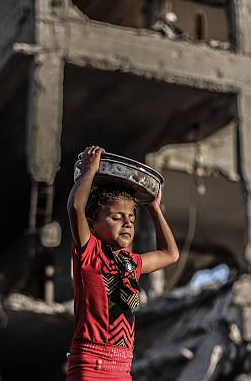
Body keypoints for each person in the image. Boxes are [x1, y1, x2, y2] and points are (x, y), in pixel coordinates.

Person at [66, 146, 179, 380]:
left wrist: (154, 208)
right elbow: (76, 207)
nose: (127, 223)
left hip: (122, 370)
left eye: (131, 219)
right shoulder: (89, 253)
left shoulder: (132, 264)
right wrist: (89, 171)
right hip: (90, 367)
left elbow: (170, 254)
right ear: (92, 224)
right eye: (116, 217)